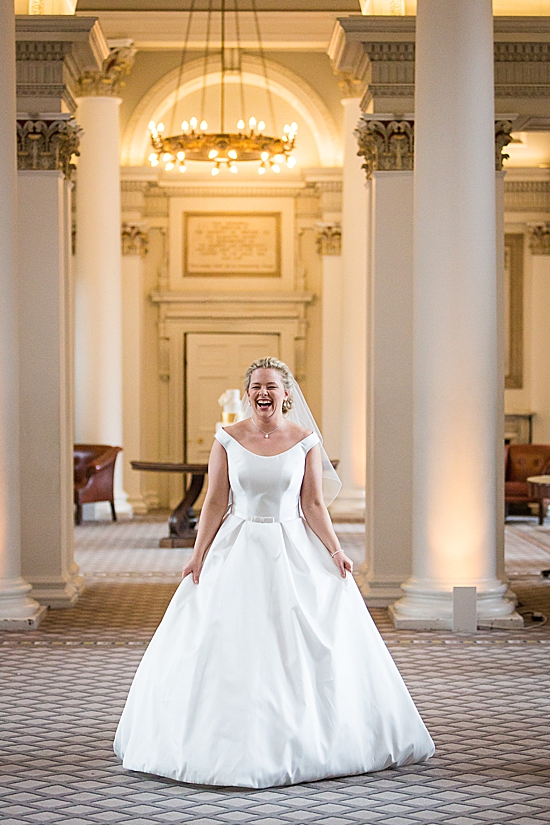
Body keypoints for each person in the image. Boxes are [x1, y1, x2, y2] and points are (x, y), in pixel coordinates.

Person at [114, 357, 434, 788]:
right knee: (227, 638)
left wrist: (336, 550)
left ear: (286, 394)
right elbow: (213, 501)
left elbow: (313, 505)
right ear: (247, 393)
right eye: (256, 387)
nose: (263, 393)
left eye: (271, 387)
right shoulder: (227, 438)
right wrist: (198, 553)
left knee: (300, 640)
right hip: (239, 544)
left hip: (292, 546)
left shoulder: (305, 441)